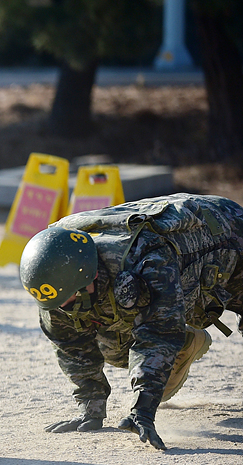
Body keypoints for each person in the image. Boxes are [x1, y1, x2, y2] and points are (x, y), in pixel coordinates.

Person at [19, 193, 243, 450]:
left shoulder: (147, 260)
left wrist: (143, 409)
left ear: (88, 276)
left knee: (164, 327)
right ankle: (187, 341)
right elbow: (72, 347)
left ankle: (180, 337)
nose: (64, 308)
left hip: (227, 233)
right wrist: (91, 409)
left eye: (70, 299)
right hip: (180, 275)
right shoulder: (57, 288)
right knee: (115, 351)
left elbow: (157, 333)